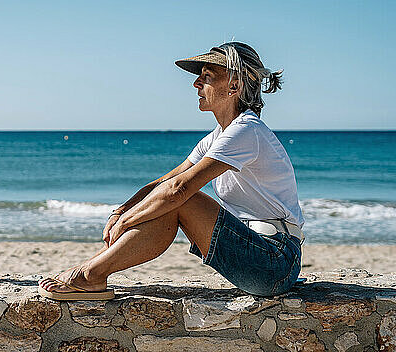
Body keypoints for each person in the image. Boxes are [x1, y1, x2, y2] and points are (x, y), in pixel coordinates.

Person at [38, 42, 305, 299]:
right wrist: (121, 211)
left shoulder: (247, 130)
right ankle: (91, 272)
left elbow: (178, 190)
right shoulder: (218, 137)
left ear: (234, 85)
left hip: (275, 261)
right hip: (255, 253)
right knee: (166, 200)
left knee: (180, 200)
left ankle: (89, 275)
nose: (196, 84)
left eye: (207, 77)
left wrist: (127, 221)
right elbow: (167, 181)